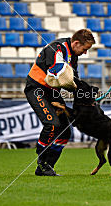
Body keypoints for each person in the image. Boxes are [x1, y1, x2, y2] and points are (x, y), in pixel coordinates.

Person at [24, 29, 95, 176]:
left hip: (51, 92)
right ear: (76, 43)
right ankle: (42, 161)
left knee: (64, 130)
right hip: (36, 89)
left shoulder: (73, 55)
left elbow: (74, 81)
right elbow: (59, 75)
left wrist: (86, 94)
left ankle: (47, 166)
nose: (85, 53)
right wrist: (78, 88)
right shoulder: (56, 48)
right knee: (52, 124)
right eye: (85, 49)